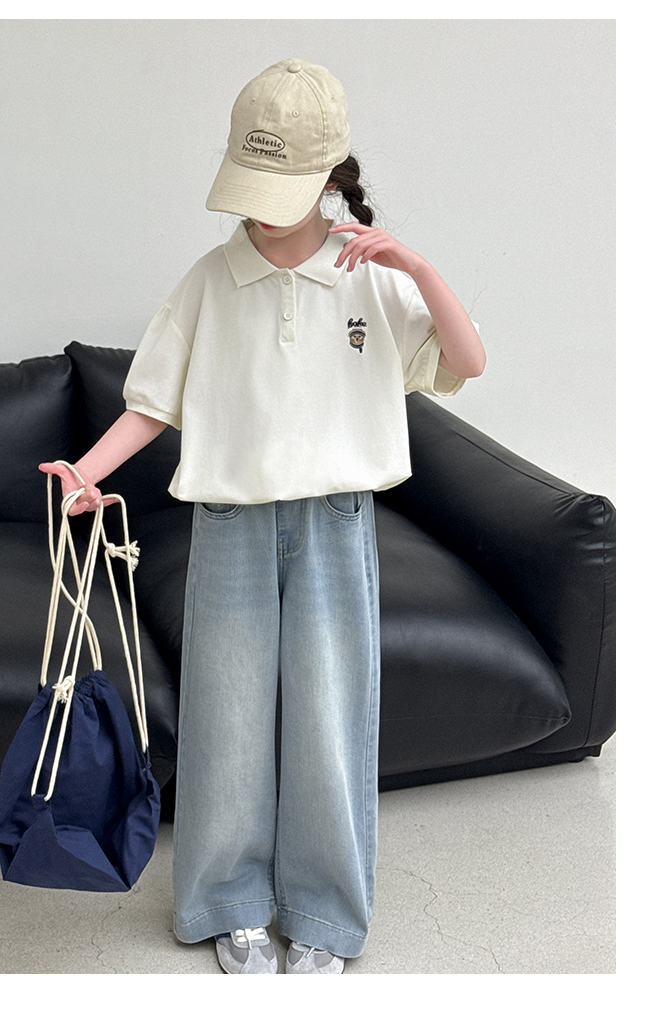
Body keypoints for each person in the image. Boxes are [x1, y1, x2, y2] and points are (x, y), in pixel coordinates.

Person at [40, 58, 485, 974]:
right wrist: (84, 474)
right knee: (229, 723)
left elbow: (466, 362)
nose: (262, 211)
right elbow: (151, 404)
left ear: (330, 177)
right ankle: (229, 900)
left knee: (330, 722)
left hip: (336, 524)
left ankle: (324, 911)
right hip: (231, 526)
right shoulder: (211, 279)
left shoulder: (371, 280)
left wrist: (415, 264)